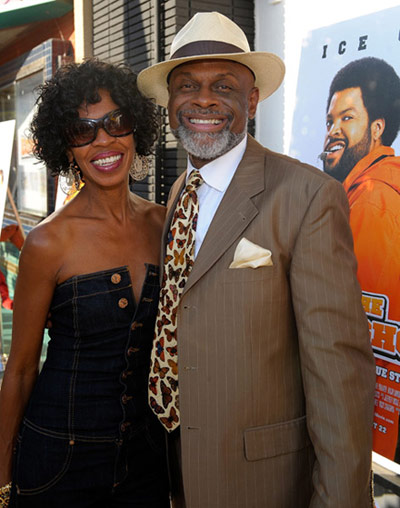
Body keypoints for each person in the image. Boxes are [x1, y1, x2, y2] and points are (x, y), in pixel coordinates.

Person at [137, 11, 376, 508]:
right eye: (187, 86)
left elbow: (339, 379)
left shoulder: (308, 196)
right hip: (173, 468)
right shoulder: (182, 189)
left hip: (261, 484)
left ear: (252, 99)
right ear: (169, 103)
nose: (203, 99)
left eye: (223, 86)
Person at [0, 59, 169, 508]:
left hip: (147, 462)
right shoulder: (47, 243)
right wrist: (0, 480)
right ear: (66, 148)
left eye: (117, 122)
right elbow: (18, 371)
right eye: (83, 131)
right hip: (58, 461)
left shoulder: (164, 224)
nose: (104, 141)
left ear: (135, 129)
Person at [322, 57, 400, 462]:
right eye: (330, 120)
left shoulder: (373, 200)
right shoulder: (366, 191)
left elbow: (372, 328)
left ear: (377, 128)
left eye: (347, 118)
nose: (333, 131)